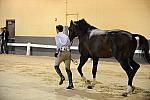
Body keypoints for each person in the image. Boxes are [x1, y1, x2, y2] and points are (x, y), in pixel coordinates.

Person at [54, 25, 74, 89]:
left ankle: (62, 77)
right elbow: (69, 44)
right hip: (68, 53)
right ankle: (71, 84)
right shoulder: (66, 36)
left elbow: (58, 45)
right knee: (68, 69)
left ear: (57, 29)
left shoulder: (57, 36)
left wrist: (57, 52)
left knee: (56, 66)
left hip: (61, 53)